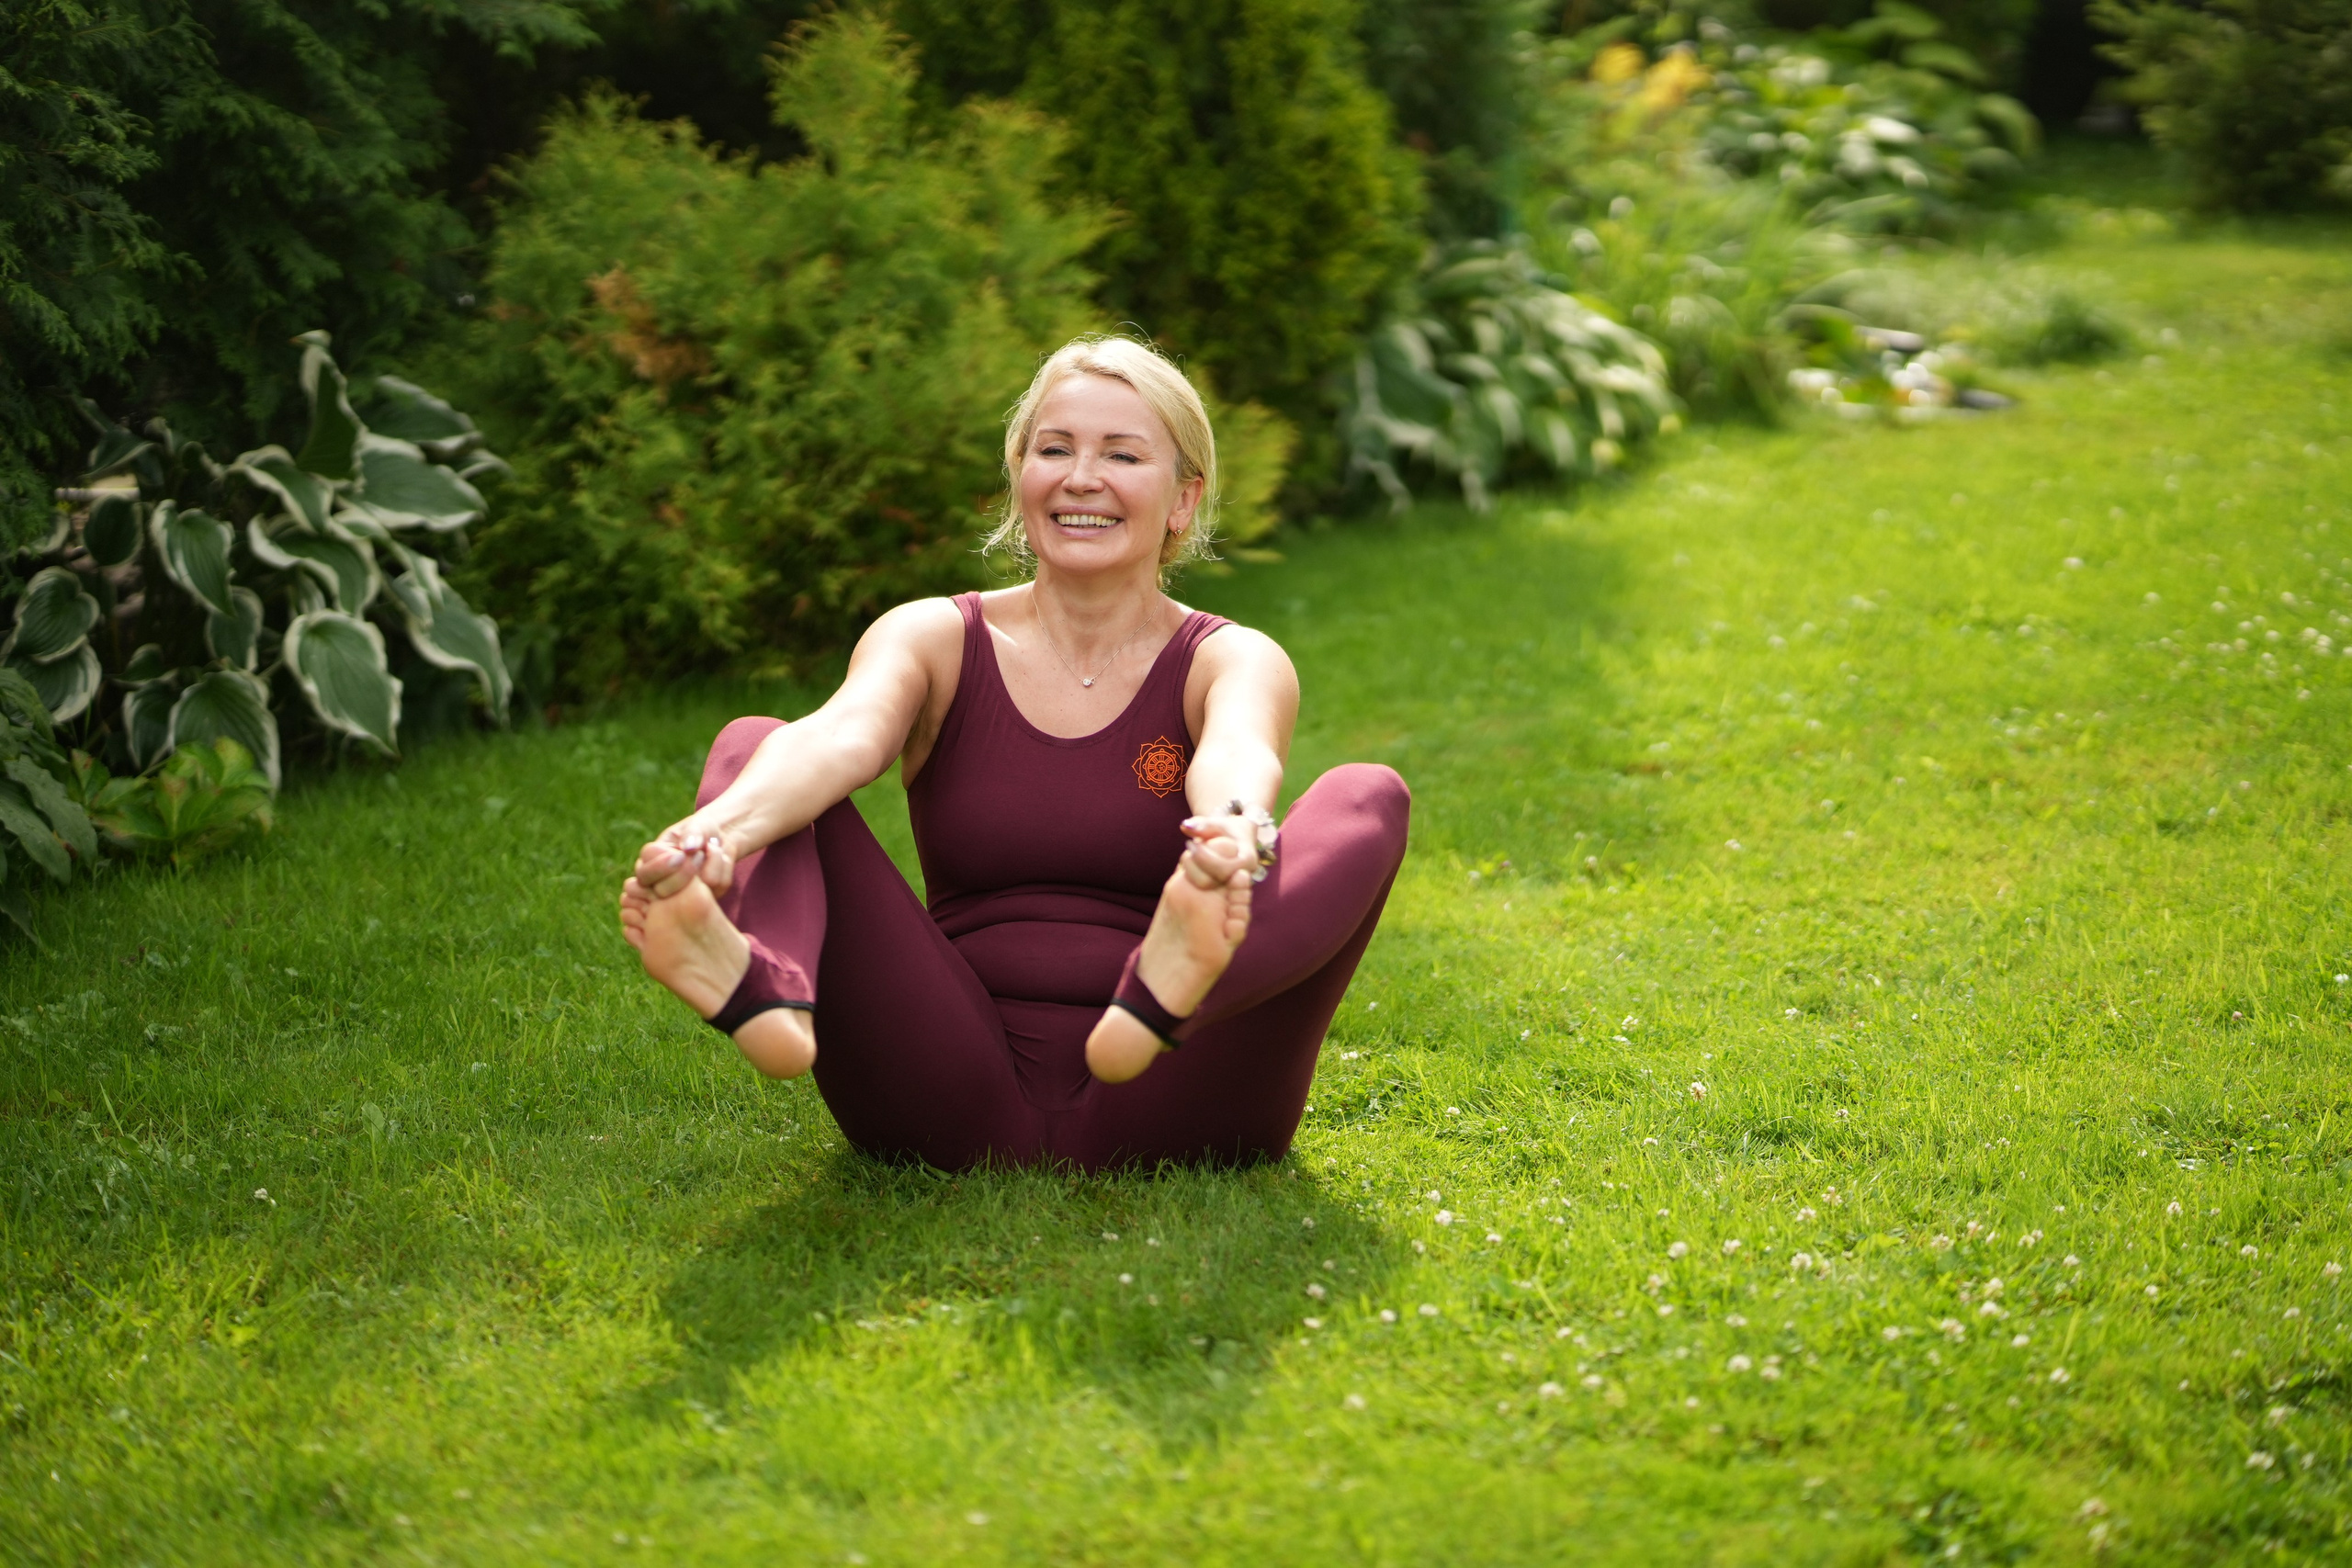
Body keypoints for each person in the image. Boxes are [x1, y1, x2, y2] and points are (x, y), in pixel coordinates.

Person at [617, 335, 1408, 1170]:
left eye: (1122, 454)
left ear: (1183, 498)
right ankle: (758, 989)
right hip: (944, 1081)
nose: (1080, 477)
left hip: (1176, 1083)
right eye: (1054, 448)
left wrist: (1228, 836)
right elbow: (843, 735)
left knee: (1368, 795)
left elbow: (1238, 752)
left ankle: (1161, 988)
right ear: (1019, 476)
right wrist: (715, 838)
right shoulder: (933, 636)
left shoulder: (1230, 657)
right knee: (758, 746)